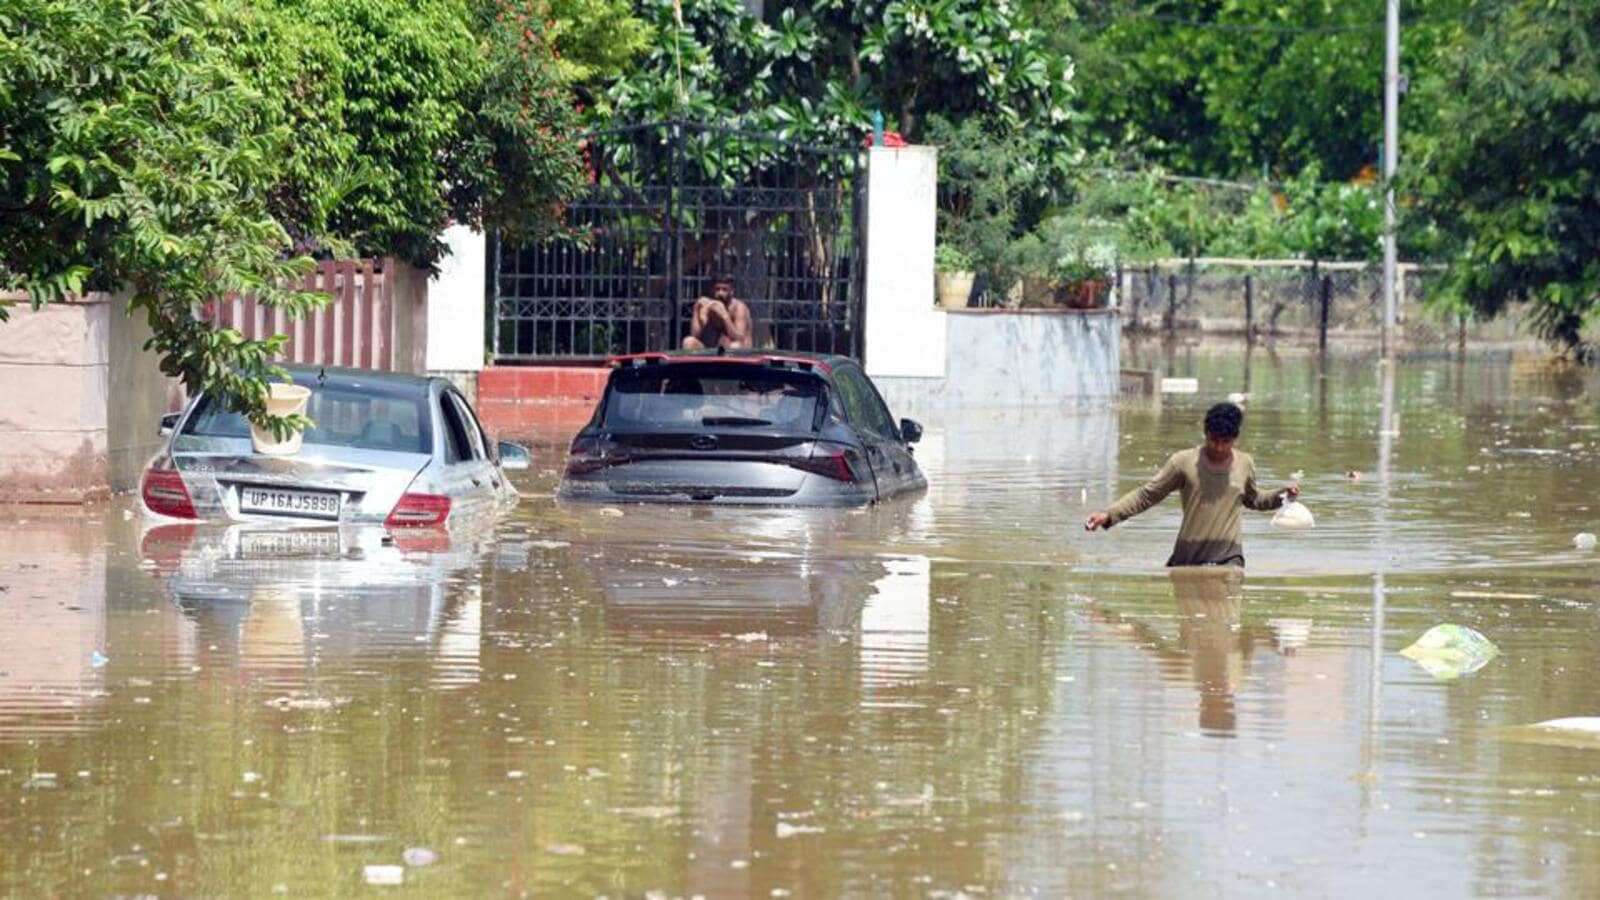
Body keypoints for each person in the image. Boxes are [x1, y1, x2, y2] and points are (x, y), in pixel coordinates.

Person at [1084, 401, 1298, 567]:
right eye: (1214, 440)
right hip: (1188, 557)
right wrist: (1109, 514)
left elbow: (1254, 499)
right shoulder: (1183, 463)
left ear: (1235, 439)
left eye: (1226, 442)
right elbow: (1146, 496)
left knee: (1227, 622)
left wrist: (1283, 496)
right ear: (1205, 433)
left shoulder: (1244, 463)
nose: (1220, 447)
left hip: (1229, 559)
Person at [682, 274, 753, 350]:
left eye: (724, 290)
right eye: (717, 289)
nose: (720, 293)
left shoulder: (739, 308)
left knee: (735, 346)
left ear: (731, 291)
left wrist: (725, 316)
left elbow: (739, 338)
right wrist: (697, 309)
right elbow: (695, 335)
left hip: (737, 352)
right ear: (712, 289)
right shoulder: (707, 305)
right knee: (688, 341)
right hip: (712, 350)